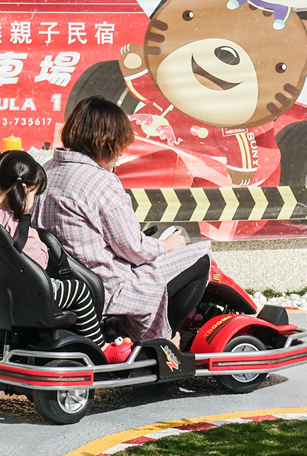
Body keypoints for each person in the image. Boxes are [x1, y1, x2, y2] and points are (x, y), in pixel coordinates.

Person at [34, 96, 212, 343]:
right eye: (119, 147)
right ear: (108, 143)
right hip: (107, 288)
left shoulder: (45, 171)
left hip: (62, 285)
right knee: (201, 258)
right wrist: (167, 245)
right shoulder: (101, 182)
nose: (120, 155)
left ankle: (124, 331)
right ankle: (160, 342)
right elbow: (134, 250)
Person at [0, 150, 132, 363]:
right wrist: (36, 239)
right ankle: (100, 346)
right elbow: (38, 264)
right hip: (27, 296)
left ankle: (53, 335)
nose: (33, 200)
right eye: (33, 194)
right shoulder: (14, 226)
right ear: (22, 189)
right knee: (79, 289)